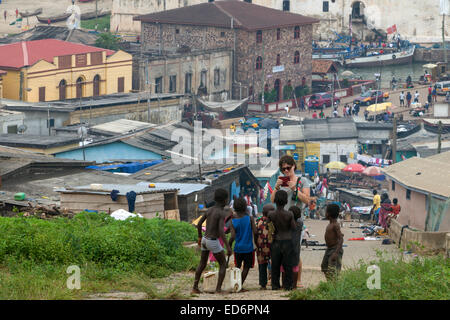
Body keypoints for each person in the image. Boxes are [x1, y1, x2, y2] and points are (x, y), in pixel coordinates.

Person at [192, 188, 233, 294]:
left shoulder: (209, 210)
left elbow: (200, 224)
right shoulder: (221, 212)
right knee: (223, 264)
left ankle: (195, 287)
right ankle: (218, 290)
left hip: (205, 240)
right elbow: (220, 230)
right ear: (225, 200)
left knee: (202, 263)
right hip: (213, 241)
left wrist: (200, 237)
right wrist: (228, 246)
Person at [268, 190, 297, 290]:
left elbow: (270, 229)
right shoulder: (289, 214)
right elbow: (294, 227)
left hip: (276, 241)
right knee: (288, 265)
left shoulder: (271, 214)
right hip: (287, 241)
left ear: (275, 201)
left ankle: (275, 285)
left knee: (275, 265)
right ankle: (288, 286)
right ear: (286, 201)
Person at [229, 197, 257, 290]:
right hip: (248, 248)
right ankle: (239, 285)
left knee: (237, 267)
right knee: (246, 267)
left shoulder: (232, 221)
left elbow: (232, 236)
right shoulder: (250, 218)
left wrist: (229, 246)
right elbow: (255, 232)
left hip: (238, 248)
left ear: (234, 208)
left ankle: (235, 284)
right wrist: (256, 243)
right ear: (246, 207)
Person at [321, 204, 344, 281]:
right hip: (329, 249)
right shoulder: (330, 224)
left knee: (333, 269)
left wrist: (336, 253)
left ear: (328, 214)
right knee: (324, 266)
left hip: (335, 249)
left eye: (326, 211)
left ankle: (333, 284)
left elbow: (341, 239)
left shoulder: (335, 225)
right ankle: (330, 282)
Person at [256, 204, 275, 290]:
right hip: (271, 247)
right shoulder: (271, 223)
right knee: (274, 264)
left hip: (260, 247)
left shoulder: (258, 222)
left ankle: (263, 284)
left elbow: (255, 233)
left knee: (262, 265)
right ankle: (274, 282)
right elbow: (274, 234)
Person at [288, 206, 303, 289]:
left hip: (287, 247)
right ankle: (294, 286)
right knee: (295, 267)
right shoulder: (300, 223)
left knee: (285, 267)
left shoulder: (289, 223)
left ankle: (285, 285)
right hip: (296, 248)